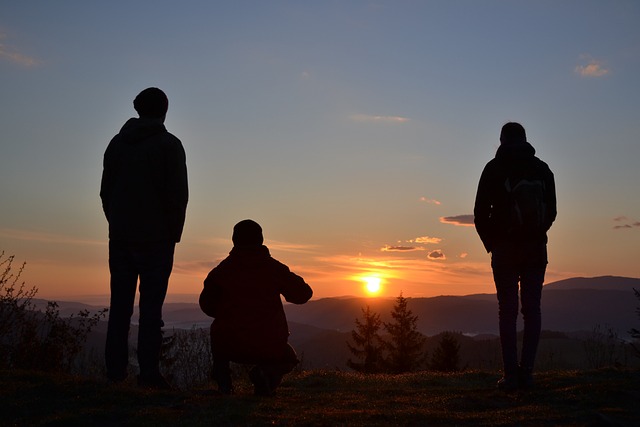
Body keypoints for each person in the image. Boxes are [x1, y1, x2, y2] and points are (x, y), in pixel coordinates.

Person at [100, 87, 188, 389]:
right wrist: (171, 234)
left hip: (121, 238)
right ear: (165, 109)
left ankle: (115, 373)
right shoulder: (169, 145)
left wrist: (118, 224)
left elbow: (105, 192)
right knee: (151, 310)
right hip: (157, 241)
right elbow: (178, 196)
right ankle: (149, 374)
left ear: (138, 109)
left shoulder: (116, 145)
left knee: (120, 307)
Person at [474, 122, 556, 391]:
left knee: (507, 310)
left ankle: (510, 375)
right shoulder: (542, 170)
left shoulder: (493, 168)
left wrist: (493, 243)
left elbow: (479, 213)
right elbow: (552, 211)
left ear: (502, 139)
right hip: (535, 249)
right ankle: (527, 373)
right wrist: (537, 235)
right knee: (533, 309)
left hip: (505, 250)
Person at [199, 219, 313, 396]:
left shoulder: (221, 271)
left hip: (229, 344)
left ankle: (224, 383)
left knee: (218, 334)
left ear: (234, 240)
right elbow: (304, 294)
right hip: (267, 344)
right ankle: (266, 376)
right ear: (261, 240)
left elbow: (206, 305)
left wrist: (228, 316)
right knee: (289, 358)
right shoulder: (274, 268)